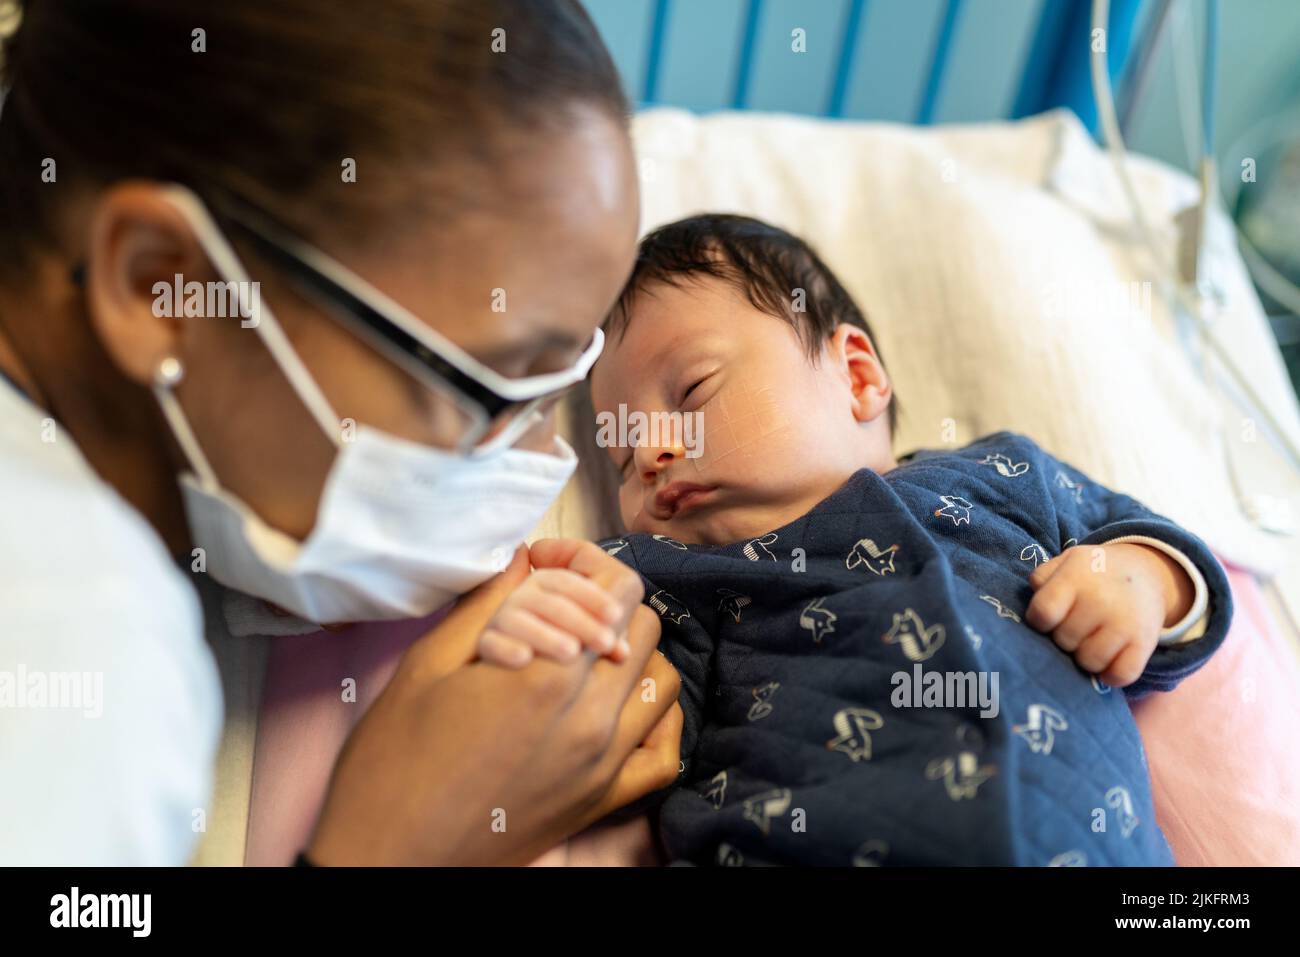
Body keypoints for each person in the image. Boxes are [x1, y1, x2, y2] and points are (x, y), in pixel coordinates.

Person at [0, 0, 681, 866]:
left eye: (565, 378)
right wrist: (394, 844)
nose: (540, 463)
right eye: (487, 380)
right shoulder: (82, 654)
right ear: (159, 285)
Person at [485, 213, 1234, 864]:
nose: (649, 453)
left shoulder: (1000, 476)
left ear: (855, 374)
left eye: (692, 391)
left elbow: (1166, 551)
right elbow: (635, 725)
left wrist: (1139, 581)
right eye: (621, 457)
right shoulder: (677, 580)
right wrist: (576, 631)